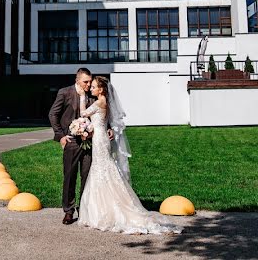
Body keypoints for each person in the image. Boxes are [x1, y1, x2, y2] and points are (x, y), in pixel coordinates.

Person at [77, 76, 181, 234]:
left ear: (101, 89)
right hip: (101, 137)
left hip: (100, 140)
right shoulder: (104, 102)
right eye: (90, 87)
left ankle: (104, 211)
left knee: (101, 169)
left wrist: (82, 97)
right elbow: (98, 121)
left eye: (94, 87)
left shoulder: (99, 102)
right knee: (104, 168)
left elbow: (83, 113)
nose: (91, 89)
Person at [48, 67, 95, 225]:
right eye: (85, 82)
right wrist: (60, 135)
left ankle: (84, 209)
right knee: (69, 176)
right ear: (77, 80)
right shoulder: (65, 92)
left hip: (89, 142)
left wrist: (107, 129)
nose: (88, 84)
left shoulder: (92, 95)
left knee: (87, 176)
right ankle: (68, 211)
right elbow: (53, 114)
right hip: (71, 141)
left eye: (90, 81)